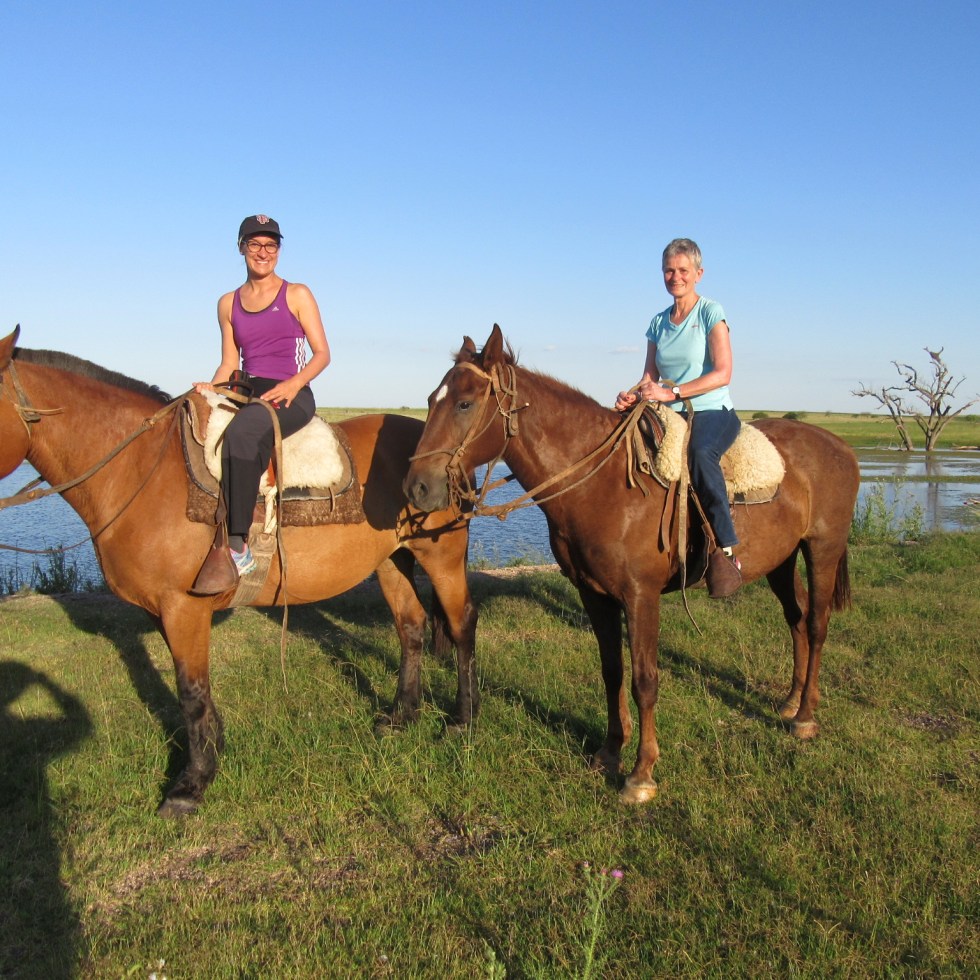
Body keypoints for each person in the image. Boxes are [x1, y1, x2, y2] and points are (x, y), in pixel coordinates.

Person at [192, 214, 331, 592]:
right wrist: (209, 388)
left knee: (243, 433)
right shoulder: (227, 303)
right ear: (241, 248)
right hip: (248, 390)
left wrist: (294, 384)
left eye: (271, 245)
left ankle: (238, 545)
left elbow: (322, 354)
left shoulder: (297, 294)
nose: (263, 252)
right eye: (254, 244)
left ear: (279, 250)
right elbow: (229, 362)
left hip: (293, 393)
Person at [615, 238, 742, 598]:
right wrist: (633, 394)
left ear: (698, 274)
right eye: (669, 270)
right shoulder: (658, 322)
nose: (676, 277)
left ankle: (725, 549)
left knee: (700, 454)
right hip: (667, 411)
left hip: (711, 410)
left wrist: (673, 393)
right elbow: (649, 377)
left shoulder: (710, 312)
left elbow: (723, 373)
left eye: (683, 270)